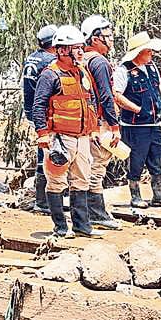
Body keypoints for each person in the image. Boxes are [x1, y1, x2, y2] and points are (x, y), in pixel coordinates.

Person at [31, 26, 102, 239]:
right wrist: (43, 134)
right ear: (62, 51)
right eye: (76, 48)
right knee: (56, 181)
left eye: (81, 48)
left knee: (82, 180)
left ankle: (82, 225)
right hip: (59, 138)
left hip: (81, 138)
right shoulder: (50, 75)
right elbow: (38, 105)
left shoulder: (82, 72)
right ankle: (60, 226)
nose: (81, 52)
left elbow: (90, 102)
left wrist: (95, 129)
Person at [114, 32, 161, 209]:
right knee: (135, 161)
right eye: (148, 51)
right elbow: (117, 95)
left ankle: (159, 195)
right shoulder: (124, 70)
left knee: (159, 158)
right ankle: (135, 196)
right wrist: (137, 109)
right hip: (134, 126)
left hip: (155, 124)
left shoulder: (152, 67)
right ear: (138, 53)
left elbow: (159, 87)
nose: (152, 54)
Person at [79, 15, 124, 230]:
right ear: (95, 38)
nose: (111, 39)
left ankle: (87, 211)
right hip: (99, 124)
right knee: (97, 168)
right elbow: (106, 96)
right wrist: (114, 126)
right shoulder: (99, 62)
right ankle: (96, 213)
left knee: (85, 168)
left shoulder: (82, 60)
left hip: (86, 124)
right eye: (107, 35)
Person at [23, 25, 60, 213]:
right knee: (49, 154)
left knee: (43, 152)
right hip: (44, 113)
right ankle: (45, 200)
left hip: (30, 111)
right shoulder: (50, 61)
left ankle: (43, 199)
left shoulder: (31, 58)